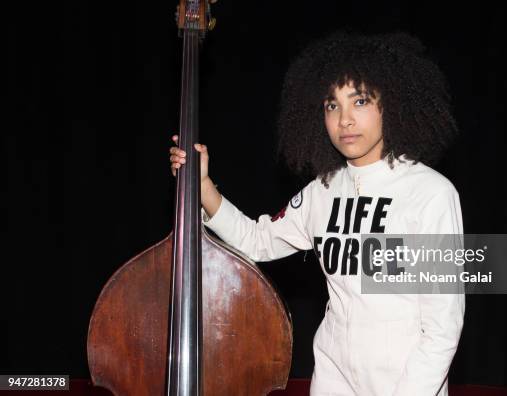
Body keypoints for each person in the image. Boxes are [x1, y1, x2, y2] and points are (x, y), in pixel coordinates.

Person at [169, 30, 464, 396]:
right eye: (331, 105)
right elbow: (257, 242)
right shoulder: (322, 191)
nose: (344, 120)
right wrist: (204, 187)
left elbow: (442, 327)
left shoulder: (431, 193)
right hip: (333, 374)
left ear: (392, 104)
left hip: (405, 381)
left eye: (359, 102)